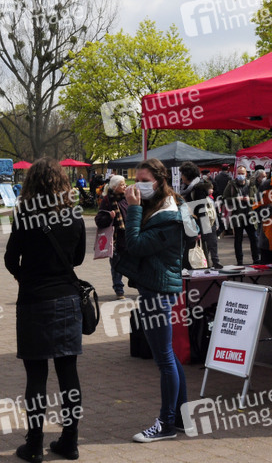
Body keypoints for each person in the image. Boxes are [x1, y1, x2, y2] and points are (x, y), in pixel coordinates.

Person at [4, 158, 85, 461]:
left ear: (31, 184)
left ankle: (35, 444)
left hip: (34, 299)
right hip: (67, 298)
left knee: (36, 375)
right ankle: (70, 441)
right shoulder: (74, 214)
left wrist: (24, 274)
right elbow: (78, 258)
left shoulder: (25, 215)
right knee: (68, 372)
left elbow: (11, 258)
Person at [114, 158, 187, 443]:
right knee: (169, 356)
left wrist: (133, 208)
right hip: (155, 286)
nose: (139, 185)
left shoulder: (168, 216)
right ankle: (180, 417)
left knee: (164, 359)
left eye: (145, 181)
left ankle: (166, 423)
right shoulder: (160, 207)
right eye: (137, 179)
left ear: (159, 181)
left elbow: (136, 245)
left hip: (157, 289)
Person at [179, 161, 220, 268]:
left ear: (187, 175)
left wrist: (200, 232)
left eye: (182, 174)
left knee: (197, 256)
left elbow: (202, 211)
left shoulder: (198, 189)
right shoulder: (186, 188)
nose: (181, 176)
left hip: (196, 227)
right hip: (190, 225)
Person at [94, 175, 129, 299]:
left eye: (125, 184)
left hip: (128, 238)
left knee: (132, 263)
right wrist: (109, 216)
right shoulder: (107, 200)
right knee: (116, 266)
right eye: (122, 184)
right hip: (115, 240)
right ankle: (119, 290)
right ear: (115, 187)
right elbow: (99, 220)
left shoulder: (127, 198)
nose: (125, 186)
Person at [223, 166, 260, 265]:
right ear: (236, 174)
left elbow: (258, 198)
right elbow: (225, 199)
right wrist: (236, 199)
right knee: (238, 239)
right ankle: (239, 261)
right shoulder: (231, 185)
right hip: (237, 217)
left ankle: (256, 259)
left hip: (250, 216)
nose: (240, 175)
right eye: (239, 173)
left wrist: (249, 199)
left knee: (254, 238)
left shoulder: (251, 184)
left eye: (242, 173)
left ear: (246, 174)